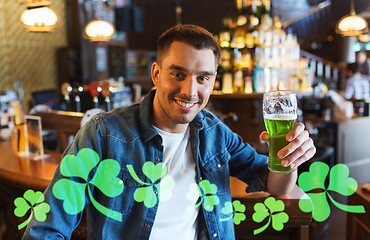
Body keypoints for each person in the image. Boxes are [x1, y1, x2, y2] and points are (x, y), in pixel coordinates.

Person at [23, 24, 316, 240]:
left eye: (203, 78)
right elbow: (46, 229)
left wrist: (287, 159)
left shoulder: (216, 134)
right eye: (178, 74)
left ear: (213, 81)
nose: (190, 91)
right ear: (156, 74)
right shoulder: (103, 135)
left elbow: (277, 186)